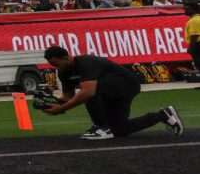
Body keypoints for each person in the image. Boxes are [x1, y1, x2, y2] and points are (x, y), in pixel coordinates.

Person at [42, 46, 183, 139]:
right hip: (111, 92)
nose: (56, 68)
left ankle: (102, 128)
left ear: (67, 58)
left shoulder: (86, 63)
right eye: (53, 66)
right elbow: (68, 96)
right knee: (120, 129)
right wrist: (51, 102)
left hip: (127, 85)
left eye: (57, 64)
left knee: (89, 92)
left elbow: (88, 93)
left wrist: (61, 109)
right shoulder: (63, 72)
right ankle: (163, 115)